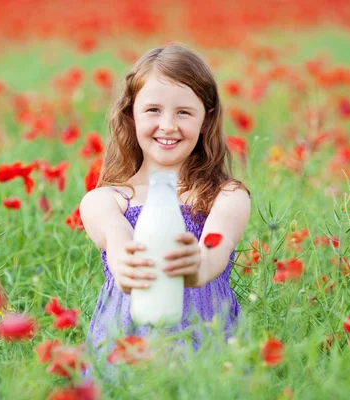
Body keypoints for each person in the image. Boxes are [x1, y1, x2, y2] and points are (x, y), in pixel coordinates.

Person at [79, 44, 251, 360]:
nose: (168, 125)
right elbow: (116, 236)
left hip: (205, 348)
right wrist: (124, 262)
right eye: (153, 110)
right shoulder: (106, 200)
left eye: (184, 112)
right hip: (127, 350)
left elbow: (214, 250)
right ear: (130, 114)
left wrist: (196, 264)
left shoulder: (225, 197)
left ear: (206, 119)